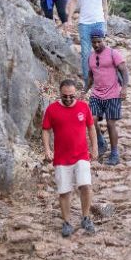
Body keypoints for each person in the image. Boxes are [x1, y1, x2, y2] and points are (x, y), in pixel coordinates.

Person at [42, 79, 98, 237]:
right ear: (60, 93)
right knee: (64, 191)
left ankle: (86, 217)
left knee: (85, 185)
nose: (68, 99)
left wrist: (95, 148)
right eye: (64, 96)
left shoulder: (83, 107)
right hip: (61, 157)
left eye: (71, 96)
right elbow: (46, 130)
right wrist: (47, 149)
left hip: (81, 155)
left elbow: (91, 127)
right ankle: (66, 222)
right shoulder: (52, 110)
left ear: (76, 94)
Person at [85, 30, 129, 166]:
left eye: (99, 41)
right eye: (94, 42)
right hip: (96, 94)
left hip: (113, 94)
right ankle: (100, 142)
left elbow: (124, 70)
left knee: (110, 124)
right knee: (91, 120)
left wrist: (125, 88)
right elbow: (91, 77)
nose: (96, 44)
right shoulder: (90, 57)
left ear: (104, 40)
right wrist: (84, 90)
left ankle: (114, 153)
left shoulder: (113, 53)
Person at [66, 0, 109, 86]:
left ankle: (101, 80)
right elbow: (73, 1)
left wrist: (105, 21)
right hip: (84, 23)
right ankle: (87, 82)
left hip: (99, 22)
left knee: (100, 52)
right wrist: (69, 18)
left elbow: (105, 4)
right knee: (85, 53)